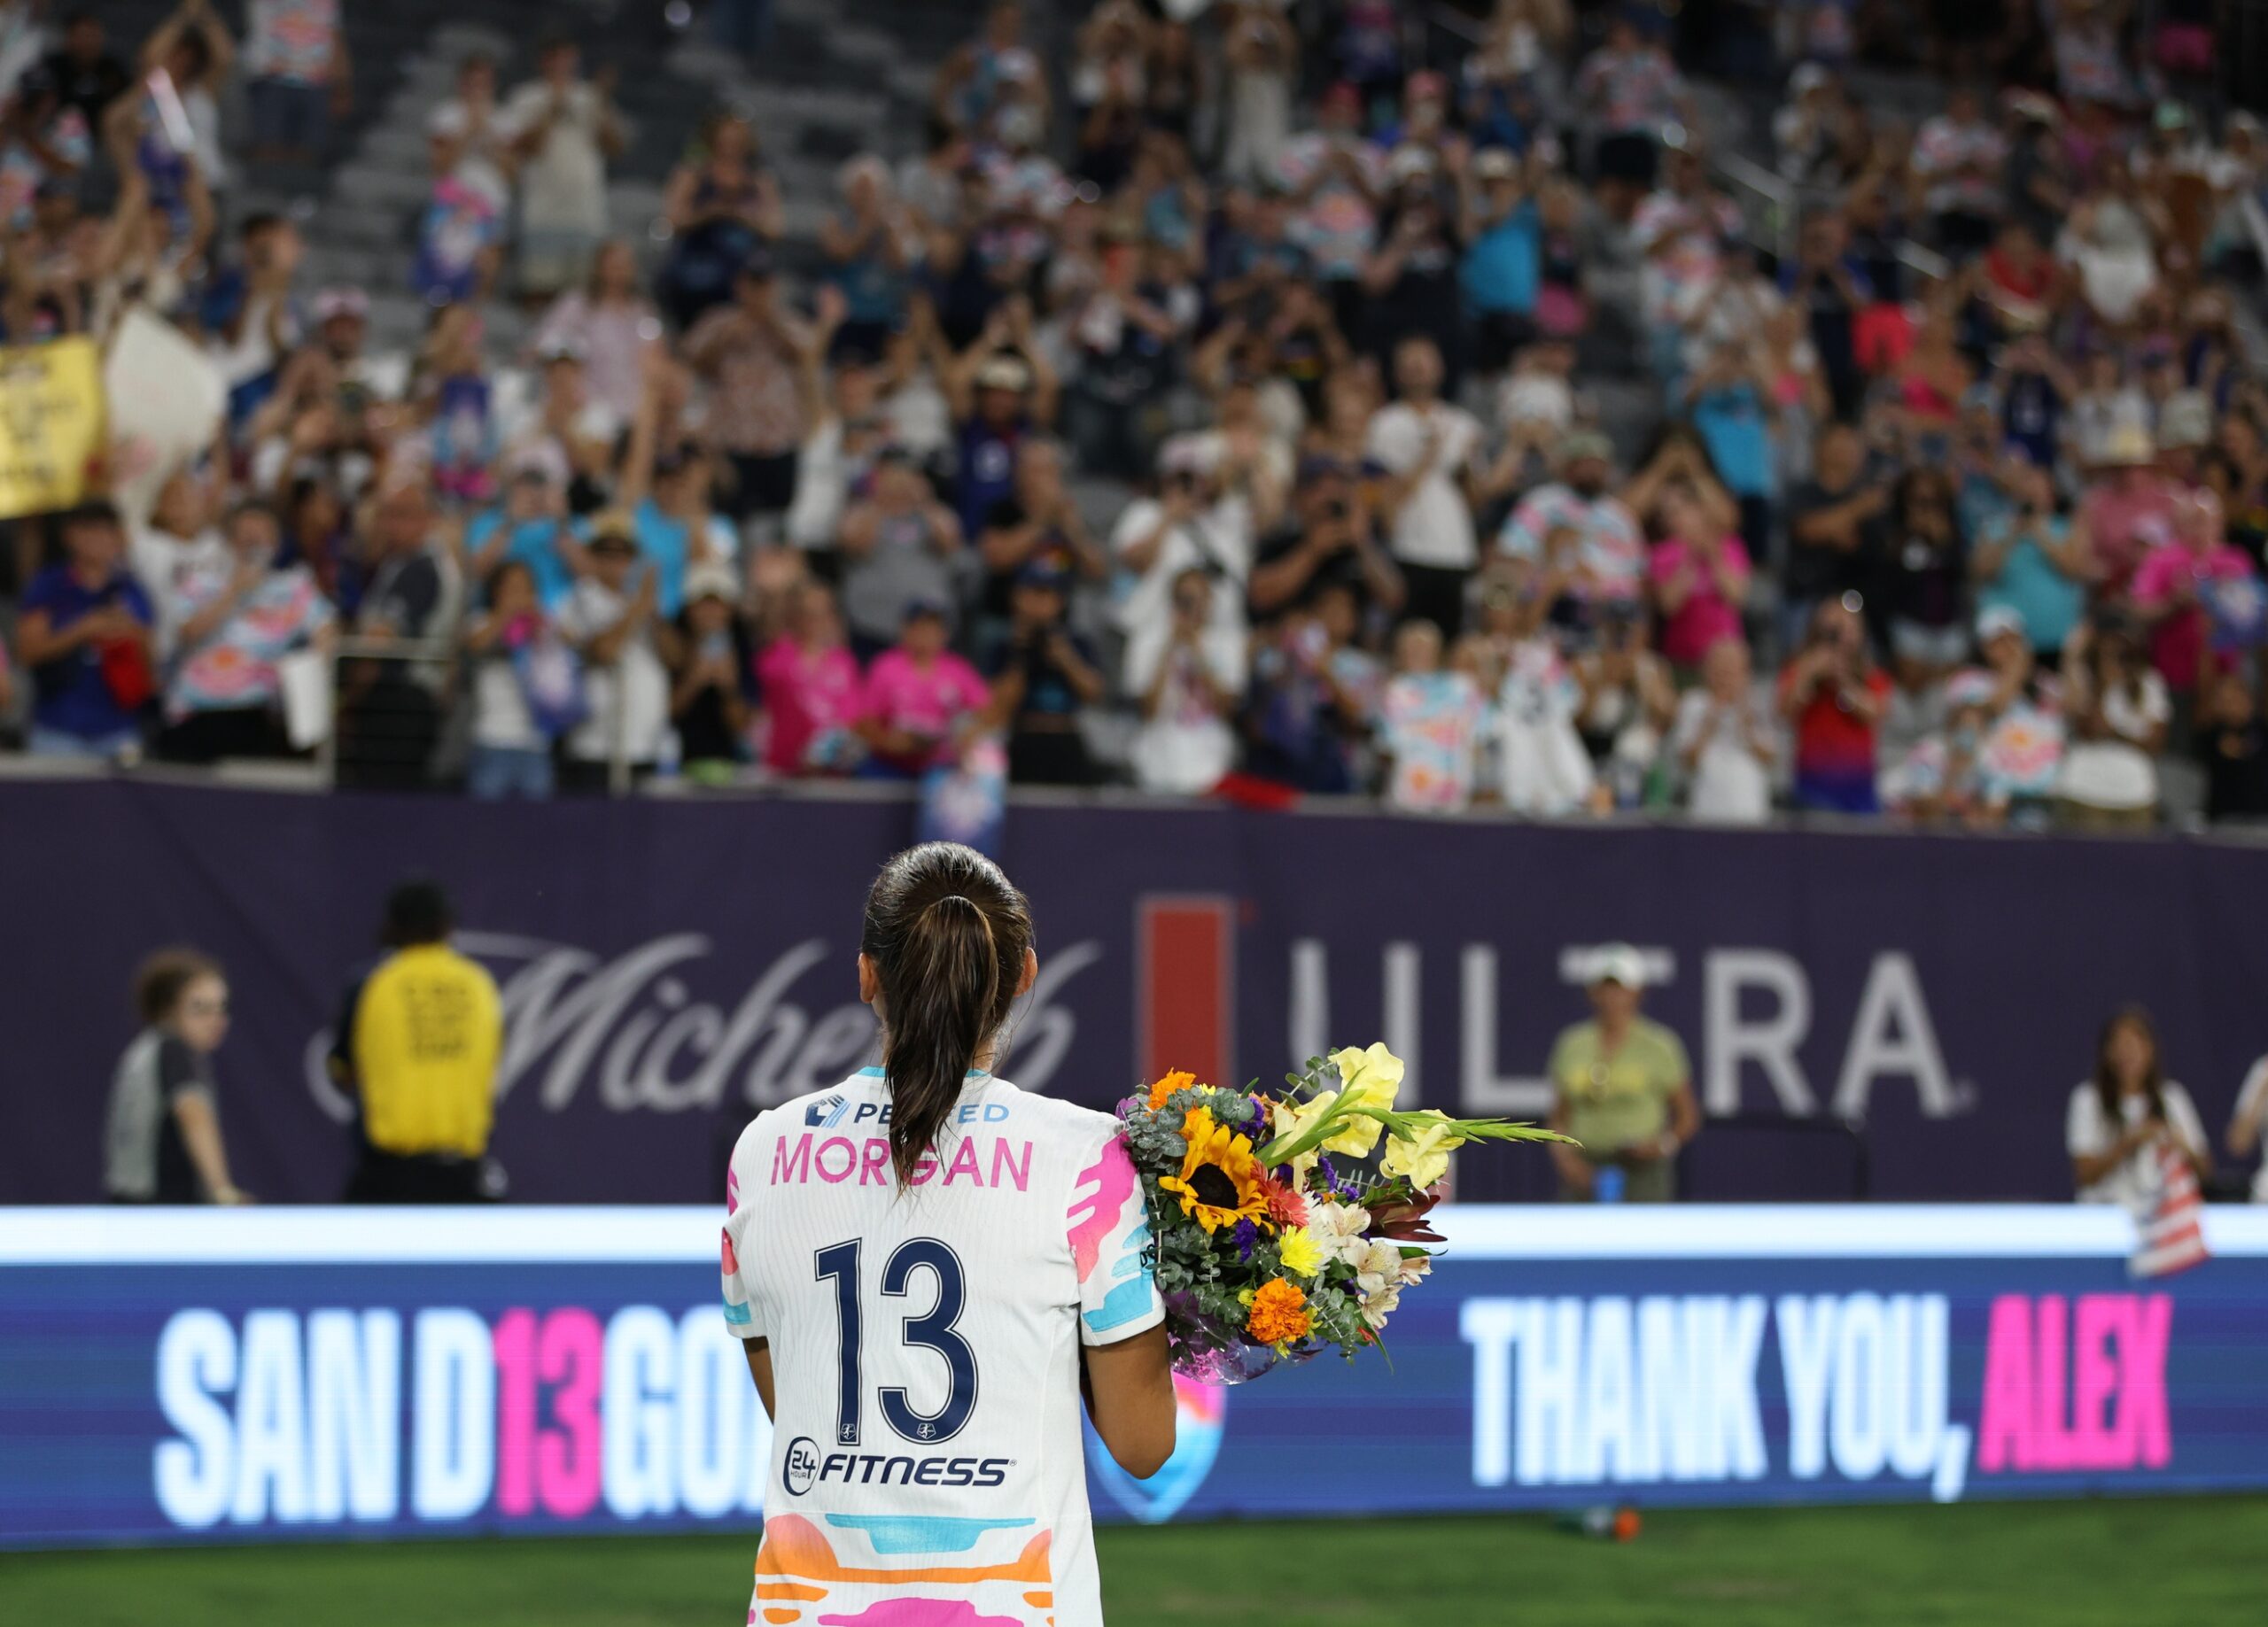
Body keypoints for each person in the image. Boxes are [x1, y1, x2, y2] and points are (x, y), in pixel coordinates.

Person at [720, 841, 1175, 1627]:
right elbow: (1143, 1445)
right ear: (1024, 974)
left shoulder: (761, 1153)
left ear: (867, 975)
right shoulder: (1086, 1158)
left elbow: (795, 1395)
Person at [330, 882, 505, 1204]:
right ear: (447, 926)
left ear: (392, 927)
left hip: (391, 1179)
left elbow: (341, 1073)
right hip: (466, 1178)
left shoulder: (371, 984)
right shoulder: (480, 984)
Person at [1545, 944, 1700, 1203]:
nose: (1612, 997)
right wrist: (1567, 1161)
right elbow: (1559, 1116)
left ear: (1637, 992)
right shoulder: (1572, 1044)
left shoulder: (1660, 1046)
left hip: (1642, 1172)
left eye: (1620, 988)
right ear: (1591, 993)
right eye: (1604, 988)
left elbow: (1687, 1116)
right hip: (1585, 1168)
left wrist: (1662, 1145)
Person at [104, 948, 248, 1205]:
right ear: (168, 1009)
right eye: (200, 1008)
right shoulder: (174, 1051)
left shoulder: (143, 1050)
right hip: (162, 1212)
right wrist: (222, 1189)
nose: (216, 1020)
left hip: (129, 1204)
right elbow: (193, 1114)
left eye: (222, 1007)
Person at [17, 500, 155, 759]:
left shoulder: (129, 588)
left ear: (118, 536)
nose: (97, 539)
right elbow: (27, 652)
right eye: (88, 530)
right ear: (69, 535)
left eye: (105, 530)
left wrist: (130, 634)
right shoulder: (49, 584)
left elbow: (151, 667)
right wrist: (83, 629)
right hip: (57, 728)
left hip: (118, 729)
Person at [2067, 1006, 2210, 1213]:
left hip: (2163, 1216)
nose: (2127, 1053)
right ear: (2106, 1052)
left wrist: (2177, 1143)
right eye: (2119, 1044)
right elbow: (2084, 1174)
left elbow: (2205, 1170)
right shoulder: (2088, 1099)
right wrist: (2129, 1142)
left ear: (2150, 1049)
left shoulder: (2172, 1097)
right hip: (2105, 1213)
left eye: (2134, 1044)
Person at [1129, 567, 1242, 794]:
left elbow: (1227, 708)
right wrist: (1170, 647)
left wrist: (1198, 651)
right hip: (1158, 764)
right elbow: (1147, 710)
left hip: (1213, 764)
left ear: (1209, 600)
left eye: (1198, 599)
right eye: (1185, 599)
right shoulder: (1146, 642)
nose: (1193, 607)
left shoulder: (1229, 644)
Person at [1778, 594, 1889, 815]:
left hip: (1860, 792)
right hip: (1813, 791)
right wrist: (1809, 674)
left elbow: (1873, 712)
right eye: (1832, 631)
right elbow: (1785, 711)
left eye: (1847, 629)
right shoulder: (1799, 668)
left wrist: (1842, 681)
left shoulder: (1871, 675)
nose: (1839, 639)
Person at [1671, 636, 1775, 823]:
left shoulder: (1758, 702)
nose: (1725, 678)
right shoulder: (1693, 702)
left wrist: (1747, 726)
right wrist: (1710, 720)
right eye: (1720, 670)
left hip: (1750, 811)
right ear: (1706, 671)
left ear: (1746, 673)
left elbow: (1771, 759)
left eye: (1732, 670)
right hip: (1705, 811)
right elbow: (1687, 761)